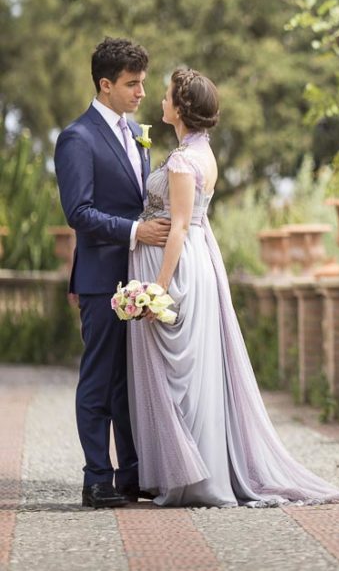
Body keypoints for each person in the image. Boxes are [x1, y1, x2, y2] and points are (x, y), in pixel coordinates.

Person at [126, 67, 339, 507]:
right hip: (200, 260)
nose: (160, 101)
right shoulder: (202, 152)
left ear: (181, 108)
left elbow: (179, 226)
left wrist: (156, 289)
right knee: (192, 370)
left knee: (179, 373)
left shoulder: (183, 160)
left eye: (165, 96)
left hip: (179, 268)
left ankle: (191, 474)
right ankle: (188, 468)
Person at [55, 38, 171, 509]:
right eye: (132, 84)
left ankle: (131, 475)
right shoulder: (76, 138)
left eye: (143, 82)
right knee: (100, 380)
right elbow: (78, 212)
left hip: (136, 279)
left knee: (130, 381)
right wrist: (136, 232)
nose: (142, 92)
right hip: (103, 278)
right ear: (105, 85)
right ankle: (96, 479)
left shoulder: (132, 133)